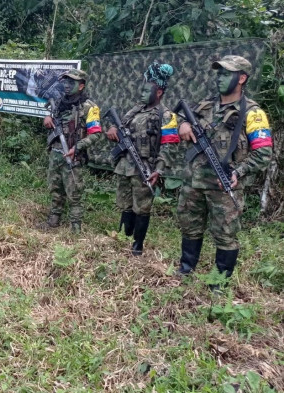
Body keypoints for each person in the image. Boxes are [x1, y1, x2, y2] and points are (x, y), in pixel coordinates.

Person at [176, 55, 272, 289]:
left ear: (241, 78)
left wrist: (238, 171)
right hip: (194, 181)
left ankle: (219, 282)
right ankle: (186, 268)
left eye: (226, 73)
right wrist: (183, 125)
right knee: (189, 225)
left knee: (226, 234)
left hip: (224, 184)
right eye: (218, 73)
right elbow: (178, 118)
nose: (219, 78)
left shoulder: (252, 113)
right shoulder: (205, 105)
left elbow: (263, 154)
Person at [71, 62, 178, 255]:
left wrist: (159, 169)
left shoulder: (167, 115)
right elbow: (120, 128)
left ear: (159, 92)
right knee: (125, 203)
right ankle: (124, 236)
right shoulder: (135, 110)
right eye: (142, 89)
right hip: (125, 165)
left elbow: (169, 147)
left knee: (142, 207)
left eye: (148, 90)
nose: (143, 93)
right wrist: (113, 131)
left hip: (144, 167)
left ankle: (137, 245)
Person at [42, 69, 101, 232]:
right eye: (65, 82)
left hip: (73, 155)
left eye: (71, 82)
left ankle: (75, 226)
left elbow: (96, 134)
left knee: (74, 191)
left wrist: (78, 147)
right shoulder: (59, 101)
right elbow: (51, 118)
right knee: (55, 187)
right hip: (56, 152)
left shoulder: (90, 107)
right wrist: (47, 118)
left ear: (81, 86)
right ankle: (54, 218)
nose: (66, 85)